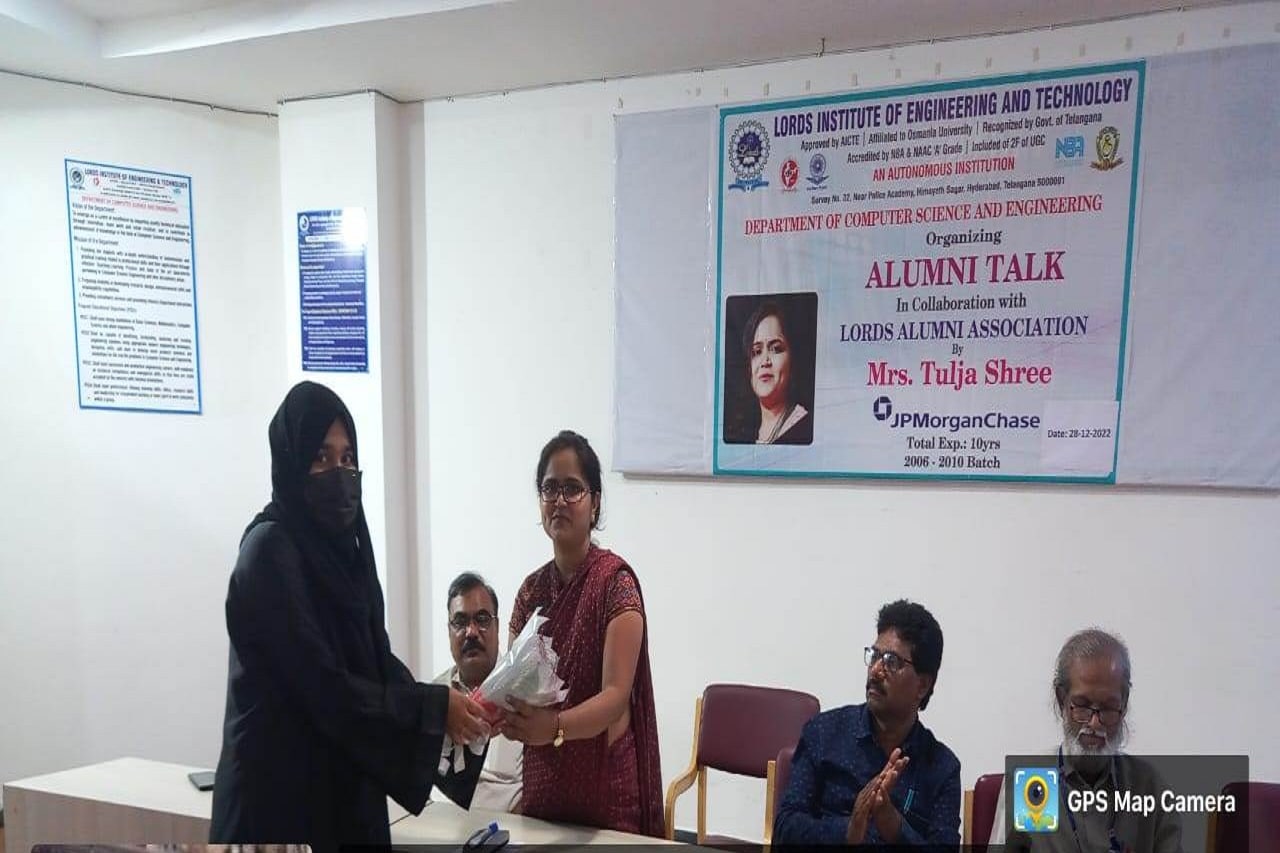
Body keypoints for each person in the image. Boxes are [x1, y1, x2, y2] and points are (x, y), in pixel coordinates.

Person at [210, 381, 490, 849]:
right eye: (321, 457)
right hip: (277, 809)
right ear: (292, 461)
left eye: (347, 458)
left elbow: (372, 662)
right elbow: (324, 687)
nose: (338, 474)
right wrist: (432, 707)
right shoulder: (269, 554)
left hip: (337, 793)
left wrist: (446, 707)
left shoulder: (345, 553)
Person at [499, 430, 664, 836]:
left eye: (572, 488)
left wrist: (553, 727)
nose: (559, 500)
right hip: (545, 784)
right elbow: (516, 684)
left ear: (595, 503)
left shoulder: (616, 584)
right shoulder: (530, 592)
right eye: (549, 488)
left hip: (605, 792)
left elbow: (615, 696)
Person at [775, 600, 961, 845]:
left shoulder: (942, 769)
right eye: (874, 656)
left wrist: (895, 828)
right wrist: (849, 830)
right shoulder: (823, 733)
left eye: (891, 662)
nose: (875, 671)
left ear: (922, 685)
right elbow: (784, 829)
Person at [990, 629, 1184, 852]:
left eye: (1108, 708)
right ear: (1061, 699)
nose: (1094, 723)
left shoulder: (1150, 787)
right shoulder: (1029, 780)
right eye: (1082, 705)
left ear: (1124, 705)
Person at [432, 571, 523, 812]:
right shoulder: (436, 697)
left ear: (497, 627)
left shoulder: (524, 693)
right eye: (460, 622)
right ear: (449, 632)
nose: (471, 631)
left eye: (482, 619)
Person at [727, 300, 813, 445]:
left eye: (776, 349)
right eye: (757, 352)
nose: (765, 361)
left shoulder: (805, 428)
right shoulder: (739, 432)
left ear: (792, 359)